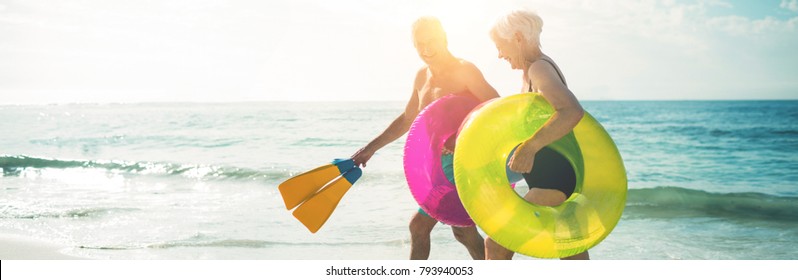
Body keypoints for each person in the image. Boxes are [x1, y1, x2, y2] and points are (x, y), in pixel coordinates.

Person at [351, 16, 499, 260]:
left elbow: (496, 109)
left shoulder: (465, 71)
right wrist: (370, 148)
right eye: (420, 44)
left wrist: (461, 137)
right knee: (463, 233)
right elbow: (409, 118)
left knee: (419, 226)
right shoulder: (422, 76)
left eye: (432, 41)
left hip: (464, 164)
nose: (427, 49)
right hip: (437, 165)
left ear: (444, 39)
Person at [487, 10, 589, 260]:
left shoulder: (539, 69)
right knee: (569, 249)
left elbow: (571, 111)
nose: (500, 54)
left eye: (501, 46)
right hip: (551, 176)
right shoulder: (533, 70)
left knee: (496, 242)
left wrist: (529, 148)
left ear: (518, 37)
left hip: (553, 178)